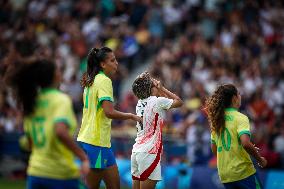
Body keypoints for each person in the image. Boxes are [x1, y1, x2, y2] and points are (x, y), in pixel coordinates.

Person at [6, 59, 90, 189]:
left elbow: (28, 143)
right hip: (60, 173)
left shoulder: (32, 102)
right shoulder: (60, 100)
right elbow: (60, 131)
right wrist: (83, 157)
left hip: (35, 173)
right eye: (57, 69)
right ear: (55, 75)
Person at [77, 47, 142, 189]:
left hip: (95, 141)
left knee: (114, 185)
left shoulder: (91, 80)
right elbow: (109, 112)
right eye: (112, 60)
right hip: (96, 142)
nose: (116, 63)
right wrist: (131, 116)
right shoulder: (104, 81)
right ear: (102, 64)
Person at [206, 84, 267, 189]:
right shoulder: (240, 118)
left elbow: (214, 148)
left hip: (225, 175)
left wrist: (229, 156)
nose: (240, 96)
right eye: (239, 93)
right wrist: (260, 159)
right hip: (243, 172)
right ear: (234, 98)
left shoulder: (216, 120)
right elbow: (245, 143)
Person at [131, 72, 183, 189]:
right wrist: (162, 88)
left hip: (137, 151)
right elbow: (179, 101)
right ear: (150, 88)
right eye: (153, 84)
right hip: (149, 153)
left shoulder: (139, 103)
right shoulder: (156, 101)